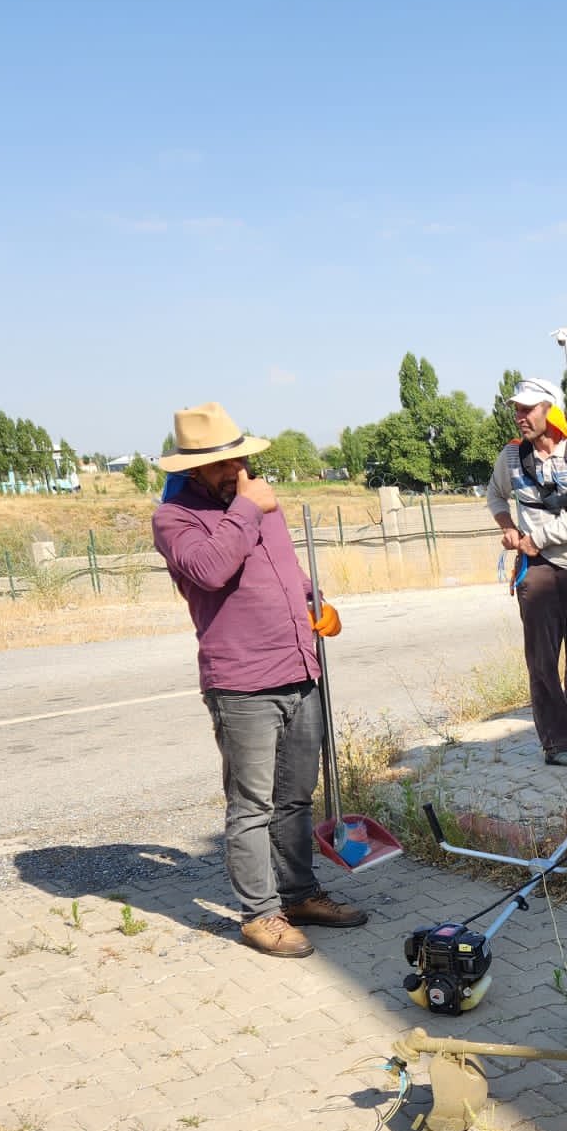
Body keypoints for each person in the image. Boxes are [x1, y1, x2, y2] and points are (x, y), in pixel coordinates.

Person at [151, 402, 368, 959]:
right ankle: (259, 915)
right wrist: (248, 508)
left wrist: (318, 603)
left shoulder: (259, 504)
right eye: (222, 464)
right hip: (242, 683)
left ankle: (298, 895)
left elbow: (286, 570)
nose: (237, 470)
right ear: (193, 469)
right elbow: (210, 570)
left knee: (295, 797)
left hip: (299, 668)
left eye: (240, 459)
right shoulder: (175, 519)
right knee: (251, 806)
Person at [486, 378, 567, 766]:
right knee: (542, 659)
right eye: (517, 410)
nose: (519, 417)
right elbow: (494, 495)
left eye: (527, 409)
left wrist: (535, 538)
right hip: (537, 570)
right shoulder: (511, 455)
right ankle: (556, 742)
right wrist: (509, 527)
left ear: (550, 410)